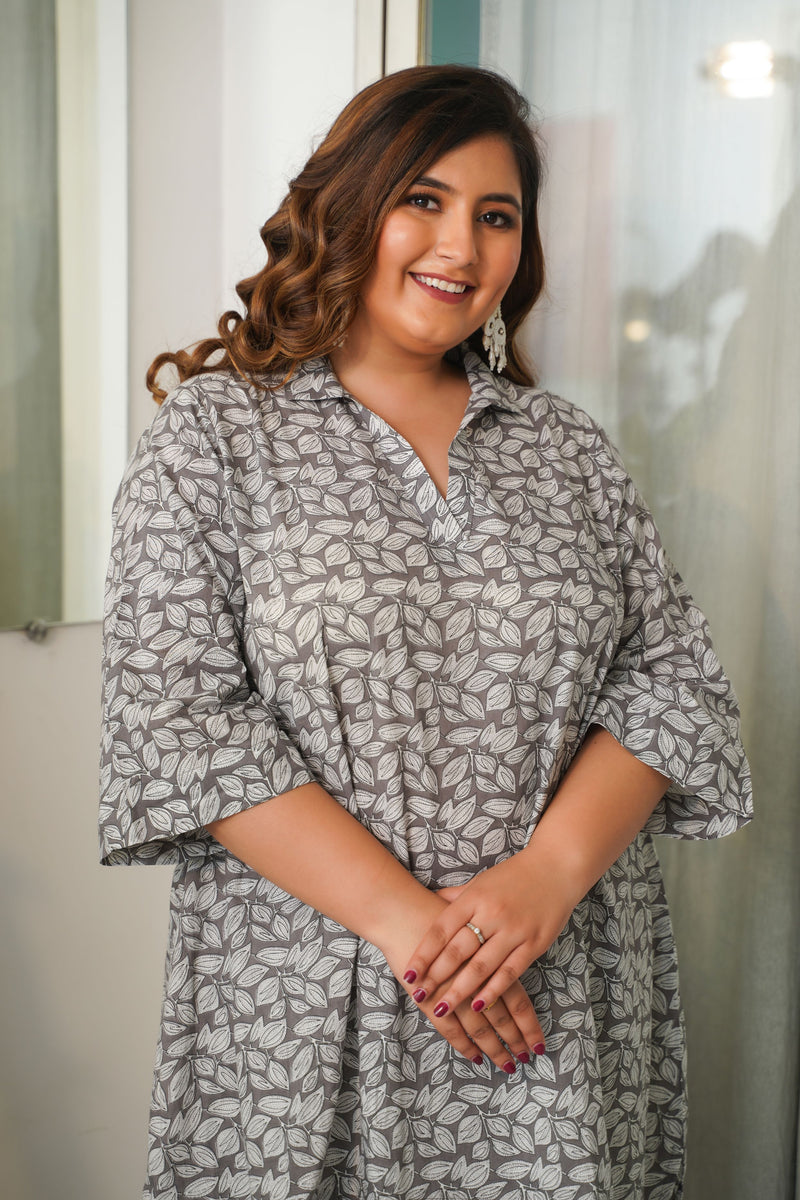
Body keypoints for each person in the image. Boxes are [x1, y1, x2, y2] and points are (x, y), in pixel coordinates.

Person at [99, 64, 753, 1200]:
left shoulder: (565, 449)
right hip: (306, 1003)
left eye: (497, 216)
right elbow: (179, 725)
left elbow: (673, 685)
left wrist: (546, 876)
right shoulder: (216, 439)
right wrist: (413, 929)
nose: (462, 245)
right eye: (423, 199)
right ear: (350, 206)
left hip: (555, 998)